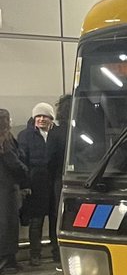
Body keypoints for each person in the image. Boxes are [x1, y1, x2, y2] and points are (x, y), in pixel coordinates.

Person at [18, 102, 56, 266]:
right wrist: (25, 184)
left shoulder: (57, 135)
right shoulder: (25, 136)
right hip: (35, 184)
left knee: (55, 220)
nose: (41, 119)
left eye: (44, 116)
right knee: (36, 221)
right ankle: (35, 255)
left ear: (51, 119)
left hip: (53, 184)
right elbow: (22, 160)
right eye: (38, 116)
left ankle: (57, 253)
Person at [0, 109, 27, 274]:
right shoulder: (5, 141)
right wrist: (25, 172)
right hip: (7, 190)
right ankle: (7, 261)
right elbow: (14, 164)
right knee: (8, 226)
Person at [45, 94, 70, 263]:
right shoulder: (82, 130)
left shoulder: (56, 133)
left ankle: (57, 252)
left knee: (58, 216)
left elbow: (49, 159)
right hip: (83, 178)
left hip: (59, 180)